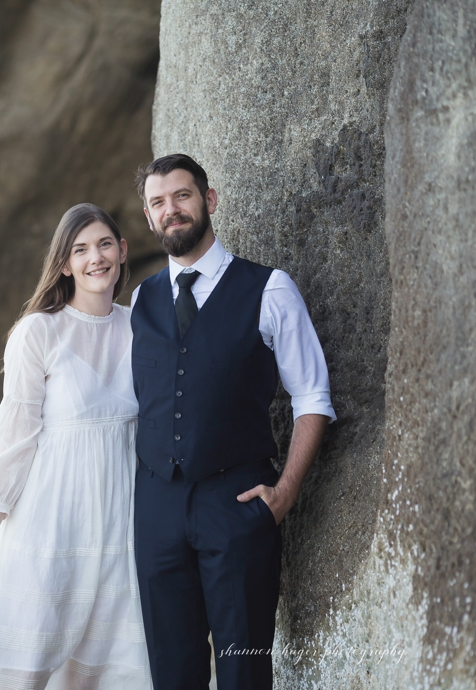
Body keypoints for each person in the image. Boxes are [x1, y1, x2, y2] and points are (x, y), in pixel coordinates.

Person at [129, 154, 334, 690]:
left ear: (209, 200)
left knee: (245, 670)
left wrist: (285, 494)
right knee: (173, 673)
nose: (171, 210)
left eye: (182, 196)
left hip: (236, 505)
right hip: (157, 511)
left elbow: (312, 397)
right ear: (148, 218)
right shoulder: (140, 301)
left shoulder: (269, 289)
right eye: (158, 203)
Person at [0, 204, 152, 689]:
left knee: (91, 675)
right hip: (50, 523)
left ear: (123, 251)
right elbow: (15, 431)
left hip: (118, 525)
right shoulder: (39, 331)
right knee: (28, 673)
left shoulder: (142, 327)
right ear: (64, 264)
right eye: (80, 250)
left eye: (105, 244)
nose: (95, 258)